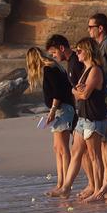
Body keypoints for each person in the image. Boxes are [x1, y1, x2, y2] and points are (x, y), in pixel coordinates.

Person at [48, 37, 107, 198]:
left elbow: (85, 94)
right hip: (82, 117)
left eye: (79, 50)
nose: (77, 53)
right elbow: (76, 91)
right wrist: (76, 91)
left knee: (95, 155)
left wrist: (77, 92)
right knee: (76, 151)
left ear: (88, 51)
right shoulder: (86, 71)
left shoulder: (95, 70)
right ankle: (66, 187)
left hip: (93, 117)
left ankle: (98, 191)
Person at [27, 47, 75, 190]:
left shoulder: (50, 68)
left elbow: (57, 92)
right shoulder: (54, 66)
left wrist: (52, 110)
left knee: (62, 148)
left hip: (62, 109)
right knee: (57, 148)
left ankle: (65, 183)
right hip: (62, 108)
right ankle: (60, 182)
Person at [88, 13, 107, 181]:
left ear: (100, 28)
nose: (88, 30)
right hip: (103, 99)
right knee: (103, 141)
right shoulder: (100, 46)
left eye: (91, 27)